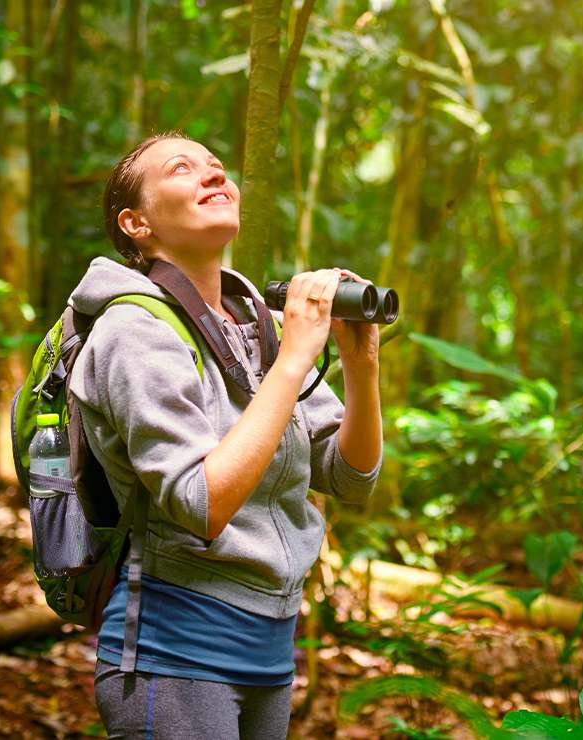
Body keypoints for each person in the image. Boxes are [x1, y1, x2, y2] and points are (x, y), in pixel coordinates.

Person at [66, 131, 382, 738]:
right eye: (183, 169)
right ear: (136, 223)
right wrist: (293, 360)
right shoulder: (132, 330)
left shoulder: (250, 323)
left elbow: (351, 476)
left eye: (216, 166)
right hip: (175, 654)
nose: (214, 175)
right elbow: (200, 503)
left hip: (268, 653)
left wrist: (360, 365)